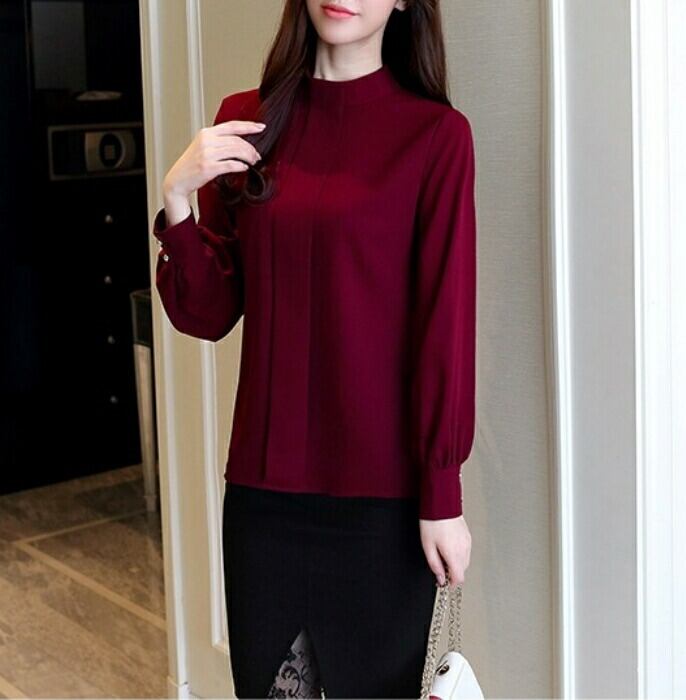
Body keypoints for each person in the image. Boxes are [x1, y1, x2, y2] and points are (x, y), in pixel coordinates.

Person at [151, 0, 477, 696]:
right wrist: (177, 196)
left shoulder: (436, 137)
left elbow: (444, 327)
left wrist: (442, 496)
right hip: (264, 503)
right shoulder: (246, 122)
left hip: (385, 509)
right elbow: (208, 312)